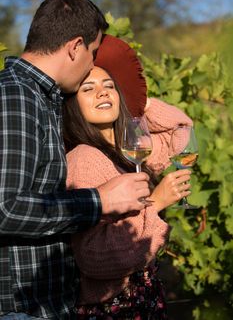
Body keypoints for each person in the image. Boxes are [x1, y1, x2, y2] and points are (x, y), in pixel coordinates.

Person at [0, 0, 152, 320]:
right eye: (92, 53)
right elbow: (5, 208)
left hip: (45, 304)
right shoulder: (16, 98)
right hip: (21, 308)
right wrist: (98, 201)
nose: (90, 67)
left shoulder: (41, 98)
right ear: (74, 46)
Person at [63, 34, 193, 319]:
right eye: (88, 88)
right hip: (114, 309)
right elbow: (93, 257)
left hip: (142, 301)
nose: (102, 92)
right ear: (71, 104)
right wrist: (156, 204)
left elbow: (181, 129)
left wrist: (137, 100)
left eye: (109, 86)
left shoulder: (127, 147)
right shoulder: (84, 158)